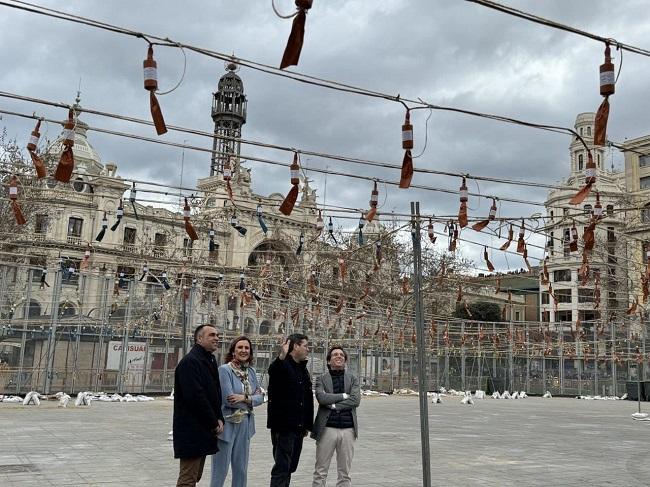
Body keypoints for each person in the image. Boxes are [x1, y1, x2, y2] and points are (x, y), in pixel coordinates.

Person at [173, 324, 224, 487]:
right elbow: (195, 397)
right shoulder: (191, 362)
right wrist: (213, 422)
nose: (216, 338)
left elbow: (214, 394)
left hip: (202, 429)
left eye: (217, 335)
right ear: (199, 338)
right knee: (188, 478)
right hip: (192, 430)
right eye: (211, 335)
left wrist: (218, 417)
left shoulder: (208, 360)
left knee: (195, 476)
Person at [211, 336, 265, 487]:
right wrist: (252, 399)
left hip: (245, 424)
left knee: (241, 469)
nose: (243, 350)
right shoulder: (224, 370)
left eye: (247, 348)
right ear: (233, 351)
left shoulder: (252, 372)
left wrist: (244, 397)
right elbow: (229, 400)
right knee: (220, 470)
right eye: (240, 347)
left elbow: (262, 397)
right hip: (227, 424)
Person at [267, 333, 314, 486]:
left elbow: (305, 398)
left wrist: (306, 424)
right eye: (305, 346)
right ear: (295, 346)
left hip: (298, 427)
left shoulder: (302, 369)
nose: (308, 349)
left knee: (291, 466)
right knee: (282, 467)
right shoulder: (283, 365)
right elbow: (273, 372)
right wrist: (281, 355)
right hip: (284, 426)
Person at [311, 347, 361, 487]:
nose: (338, 357)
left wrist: (334, 406)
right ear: (329, 360)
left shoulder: (352, 378)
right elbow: (322, 398)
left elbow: (355, 400)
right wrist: (344, 396)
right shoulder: (321, 379)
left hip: (348, 429)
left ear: (345, 360)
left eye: (341, 355)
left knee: (345, 472)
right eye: (335, 355)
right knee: (320, 470)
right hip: (327, 429)